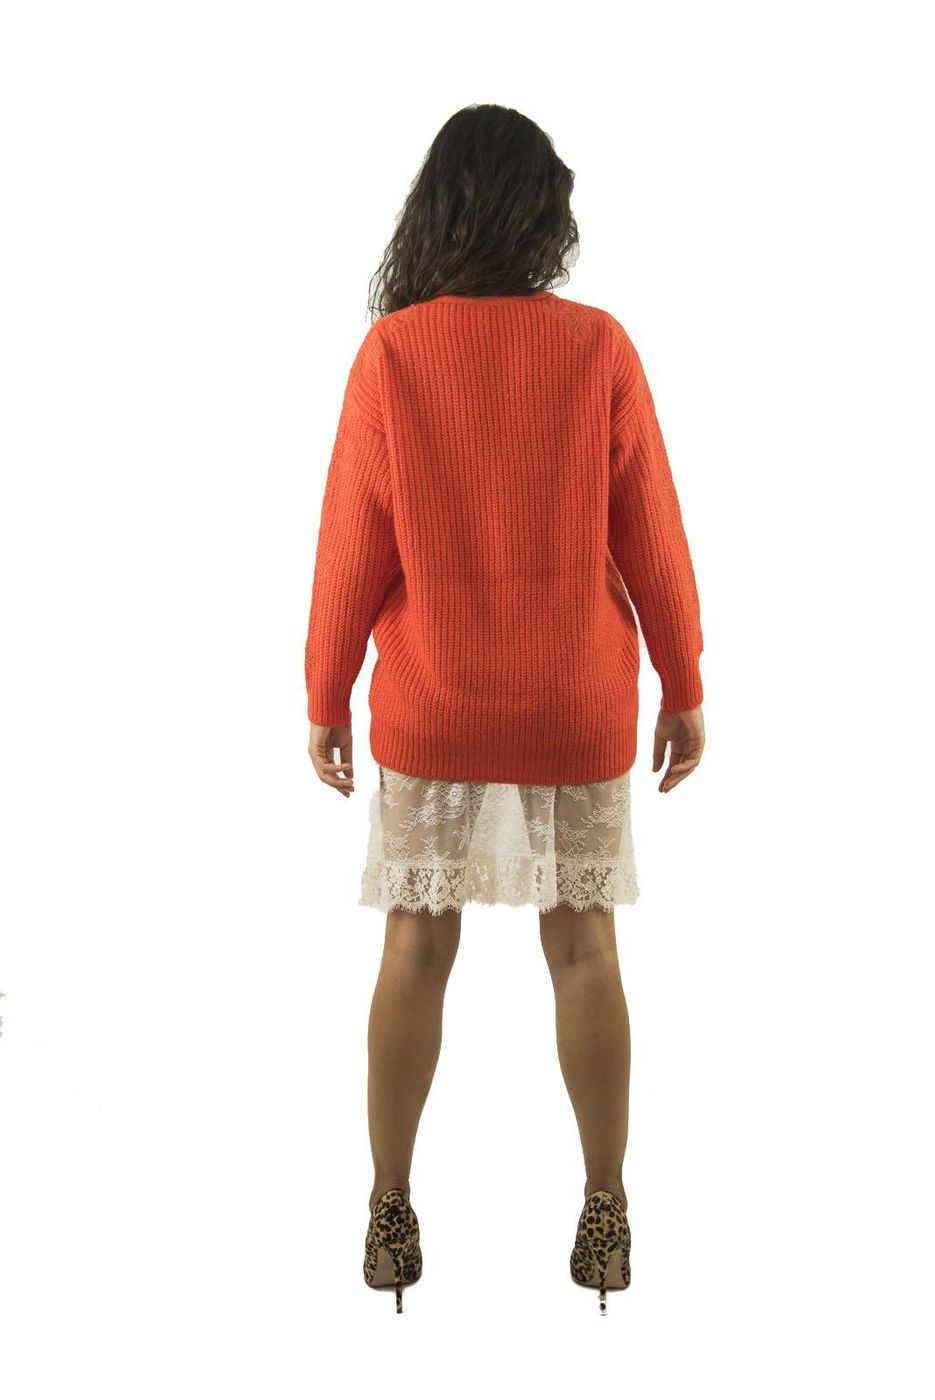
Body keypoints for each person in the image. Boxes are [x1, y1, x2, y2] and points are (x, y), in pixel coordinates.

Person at [303, 103, 705, 1314]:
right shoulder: (597, 347)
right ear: (542, 218)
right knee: (582, 946)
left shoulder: (393, 355)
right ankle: (605, 1212)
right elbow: (652, 534)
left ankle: (388, 1210)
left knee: (414, 946)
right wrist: (683, 682)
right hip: (575, 702)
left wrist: (324, 693)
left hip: (433, 702)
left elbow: (351, 548)